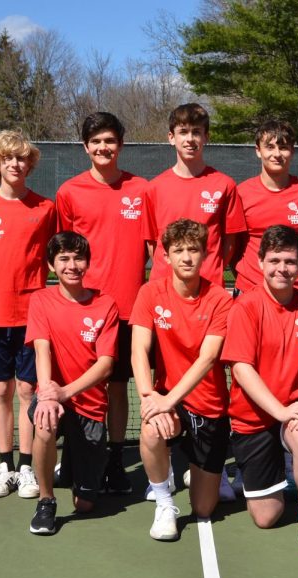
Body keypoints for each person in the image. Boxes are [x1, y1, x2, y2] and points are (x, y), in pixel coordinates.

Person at [221, 225, 298, 555]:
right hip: (253, 417)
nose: (281, 269)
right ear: (260, 263)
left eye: (289, 261)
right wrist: (279, 411)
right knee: (266, 517)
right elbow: (241, 369)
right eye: (274, 260)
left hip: (295, 407)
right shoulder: (246, 307)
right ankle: (274, 477)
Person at [56, 112, 149, 495]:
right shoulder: (69, 192)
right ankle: (75, 454)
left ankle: (113, 458)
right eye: (95, 142)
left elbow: (154, 246)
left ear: (120, 145)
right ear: (85, 147)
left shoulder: (142, 190)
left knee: (116, 388)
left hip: (127, 311)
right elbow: (63, 252)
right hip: (82, 311)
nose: (103, 148)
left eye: (109, 141)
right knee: (77, 387)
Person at [0, 130, 57, 499]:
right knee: (1, 388)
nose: (16, 164)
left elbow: (54, 254)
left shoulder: (45, 208)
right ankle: (4, 466)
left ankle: (27, 468)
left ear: (30, 164)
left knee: (28, 390)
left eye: (22, 159)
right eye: (8, 159)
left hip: (33, 315)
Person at [130, 219, 234, 541]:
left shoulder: (220, 298)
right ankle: (164, 503)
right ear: (166, 256)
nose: (186, 257)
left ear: (204, 254)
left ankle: (207, 473)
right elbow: (138, 349)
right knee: (150, 429)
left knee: (204, 508)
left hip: (209, 405)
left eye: (193, 250)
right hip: (167, 400)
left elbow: (207, 359)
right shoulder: (150, 293)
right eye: (179, 251)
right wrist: (150, 398)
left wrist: (167, 399)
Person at [25, 232, 120, 535]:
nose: (72, 264)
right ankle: (46, 500)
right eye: (63, 258)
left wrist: (66, 391)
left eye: (78, 257)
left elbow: (105, 365)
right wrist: (48, 395)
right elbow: (42, 349)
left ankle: (73, 468)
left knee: (85, 505)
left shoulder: (106, 304)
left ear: (87, 262)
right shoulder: (41, 300)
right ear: (52, 265)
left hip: (90, 405)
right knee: (44, 422)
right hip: (54, 396)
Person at [143, 103, 247, 287]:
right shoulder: (154, 188)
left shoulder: (225, 185)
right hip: (165, 287)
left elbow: (230, 241)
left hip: (209, 286)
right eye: (183, 132)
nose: (190, 139)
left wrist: (211, 268)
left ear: (206, 137)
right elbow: (153, 244)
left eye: (196, 132)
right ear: (171, 137)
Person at [234, 119, 298, 296]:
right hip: (248, 292)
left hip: (293, 294)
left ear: (292, 151)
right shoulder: (240, 194)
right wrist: (249, 279)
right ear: (258, 151)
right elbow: (234, 250)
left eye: (283, 147)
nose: (277, 154)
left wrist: (291, 281)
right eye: (270, 147)